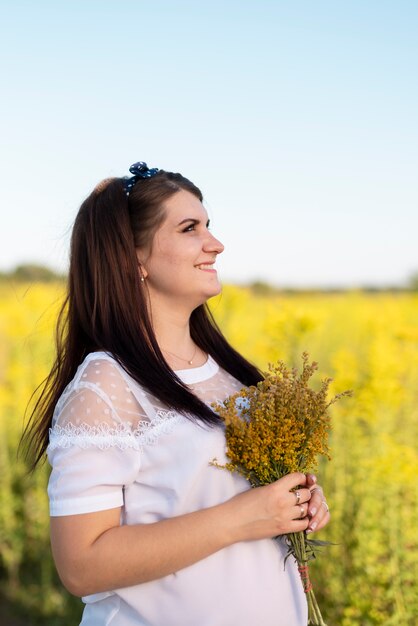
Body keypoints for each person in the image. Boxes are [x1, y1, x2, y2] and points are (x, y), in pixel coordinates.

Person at [25, 161, 330, 626]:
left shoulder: (228, 373)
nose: (216, 243)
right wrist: (239, 518)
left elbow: (229, 497)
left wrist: (293, 502)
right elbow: (81, 567)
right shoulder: (105, 386)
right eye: (190, 228)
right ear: (133, 258)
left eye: (209, 225)